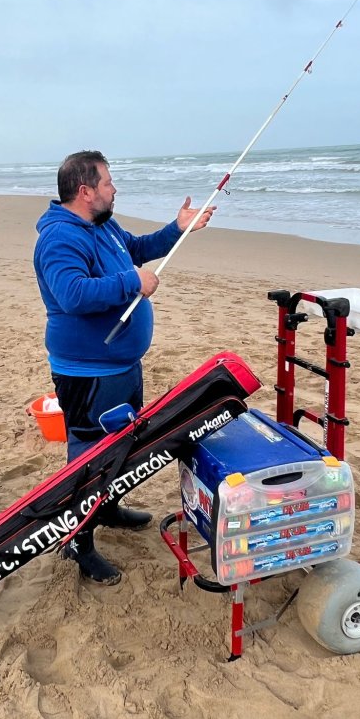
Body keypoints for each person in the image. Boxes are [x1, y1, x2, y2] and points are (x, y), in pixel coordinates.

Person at [34, 150, 215, 584]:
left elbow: (136, 248)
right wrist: (133, 281)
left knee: (119, 447)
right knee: (87, 457)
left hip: (121, 365)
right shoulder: (59, 238)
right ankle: (79, 541)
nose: (115, 189)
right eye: (108, 183)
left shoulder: (102, 224)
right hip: (88, 374)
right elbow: (72, 294)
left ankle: (109, 506)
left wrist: (178, 228)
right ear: (85, 191)